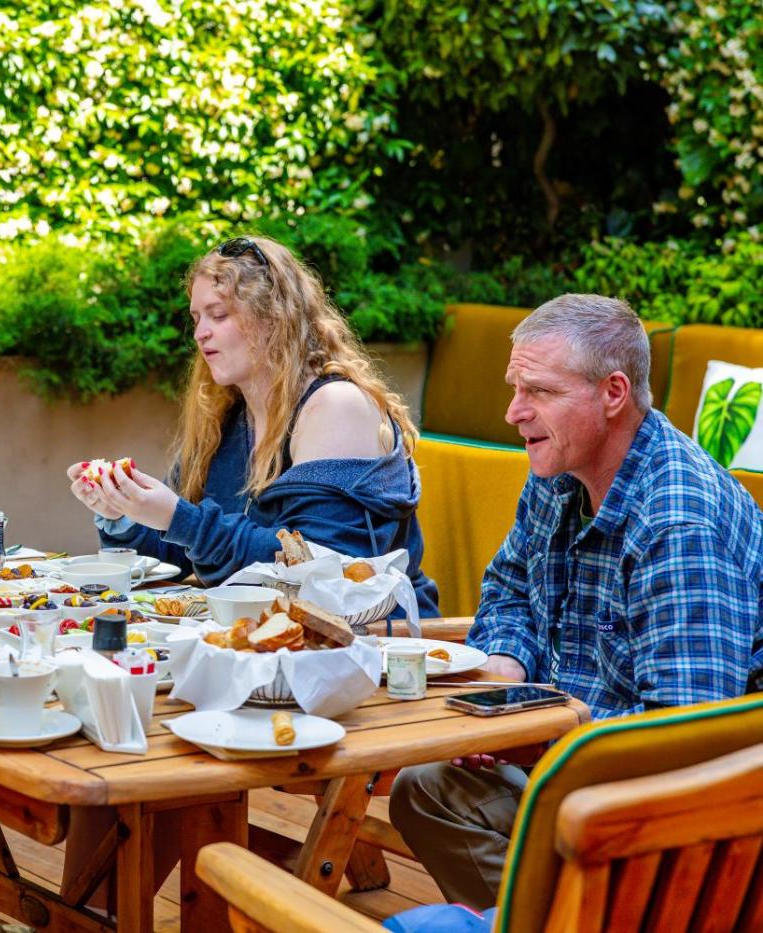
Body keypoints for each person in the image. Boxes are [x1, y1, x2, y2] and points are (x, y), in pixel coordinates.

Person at [391, 294, 763, 910]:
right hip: (573, 765)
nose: (514, 412)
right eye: (515, 388)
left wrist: (541, 735)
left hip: (682, 823)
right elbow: (510, 586)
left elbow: (685, 737)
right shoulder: (559, 469)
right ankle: (550, 915)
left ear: (613, 393)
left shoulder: (678, 524)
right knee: (425, 789)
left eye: (539, 391)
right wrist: (504, 669)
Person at [67, 235, 438, 618]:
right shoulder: (225, 418)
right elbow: (177, 556)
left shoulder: (335, 407)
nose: (200, 333)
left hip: (375, 641)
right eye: (196, 318)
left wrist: (179, 518)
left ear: (273, 318)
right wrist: (122, 513)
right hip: (258, 633)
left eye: (218, 315)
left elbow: (317, 573)